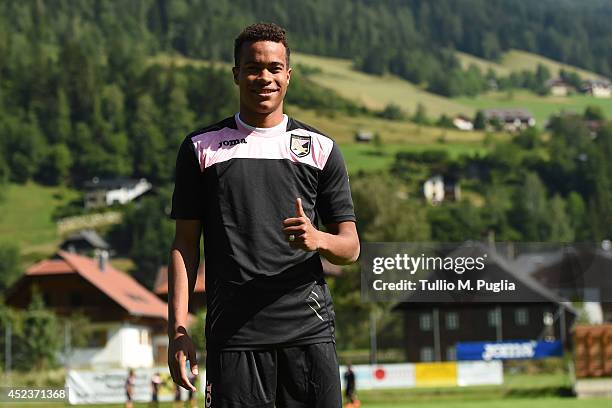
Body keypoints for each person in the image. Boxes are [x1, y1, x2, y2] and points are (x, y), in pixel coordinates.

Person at [167, 22, 360, 408]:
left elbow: (351, 247)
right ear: (236, 73)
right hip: (234, 338)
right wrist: (178, 328)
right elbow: (185, 246)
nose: (264, 77)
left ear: (288, 75)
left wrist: (317, 239)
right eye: (254, 67)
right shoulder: (201, 149)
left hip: (308, 333)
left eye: (274, 68)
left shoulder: (321, 149)